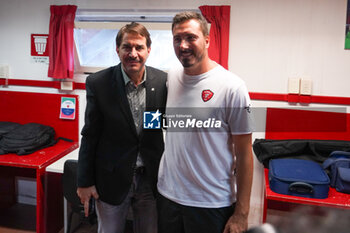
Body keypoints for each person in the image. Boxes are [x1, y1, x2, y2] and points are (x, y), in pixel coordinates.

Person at [157, 12, 254, 233]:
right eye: (177, 39)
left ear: (207, 40)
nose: (183, 45)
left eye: (191, 37)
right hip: (168, 196)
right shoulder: (171, 76)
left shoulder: (233, 87)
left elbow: (245, 154)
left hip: (210, 203)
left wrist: (241, 214)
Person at [77, 22, 167, 233]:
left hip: (150, 180)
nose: (133, 53)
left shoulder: (162, 81)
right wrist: (84, 182)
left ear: (148, 50)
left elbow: (162, 126)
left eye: (139, 47)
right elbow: (90, 135)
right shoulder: (99, 83)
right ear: (117, 50)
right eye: (127, 47)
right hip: (111, 179)